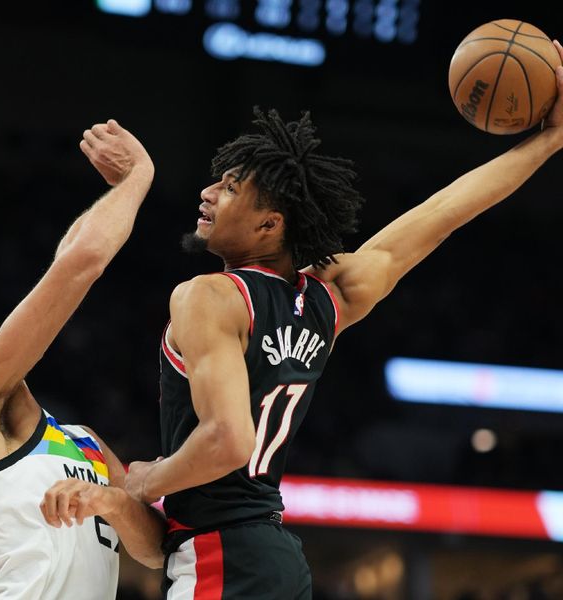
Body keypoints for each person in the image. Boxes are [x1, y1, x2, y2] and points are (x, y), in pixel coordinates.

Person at [123, 43, 563, 599]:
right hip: (272, 557)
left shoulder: (208, 296)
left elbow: (228, 442)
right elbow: (444, 212)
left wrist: (146, 482)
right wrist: (549, 142)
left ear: (269, 225)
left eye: (231, 187)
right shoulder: (330, 299)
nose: (207, 192)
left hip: (223, 554)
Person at [0, 119, 166, 600]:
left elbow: (153, 550)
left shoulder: (85, 441)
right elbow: (80, 264)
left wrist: (111, 501)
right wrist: (139, 176)